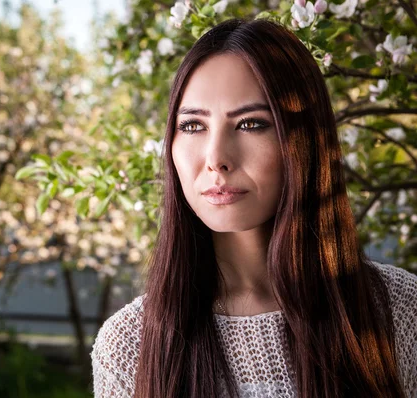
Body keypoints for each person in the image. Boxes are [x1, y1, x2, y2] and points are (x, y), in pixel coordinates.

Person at [90, 17, 417, 398]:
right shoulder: (129, 345)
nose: (216, 159)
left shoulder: (399, 311)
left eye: (250, 124)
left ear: (304, 140)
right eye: (193, 126)